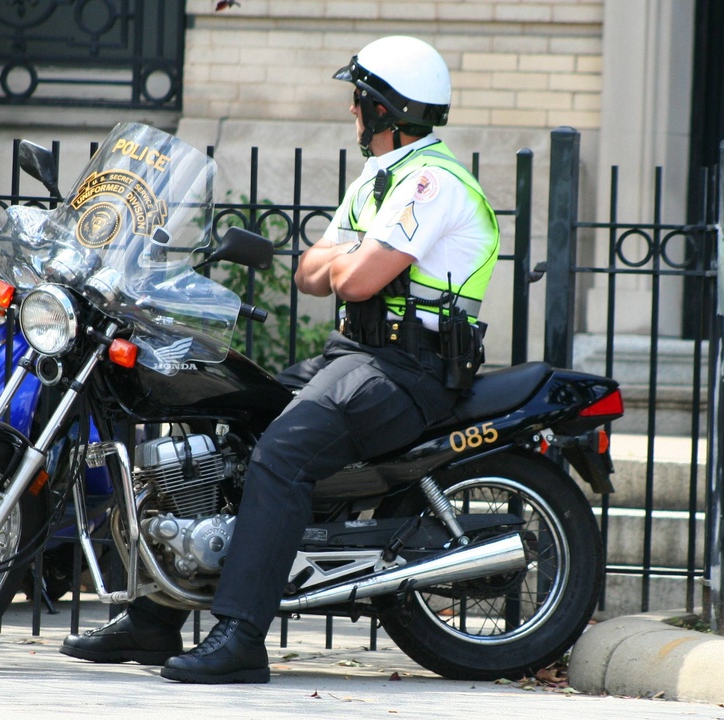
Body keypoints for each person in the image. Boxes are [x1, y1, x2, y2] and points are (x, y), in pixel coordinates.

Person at [59, 34, 500, 684]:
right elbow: (308, 271)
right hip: (353, 356)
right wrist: (348, 261)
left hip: (408, 372)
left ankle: (241, 637)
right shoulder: (378, 182)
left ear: (383, 108)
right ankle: (156, 621)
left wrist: (347, 262)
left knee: (281, 456)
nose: (353, 110)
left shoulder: (430, 184)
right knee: (224, 417)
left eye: (359, 99)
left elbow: (349, 281)